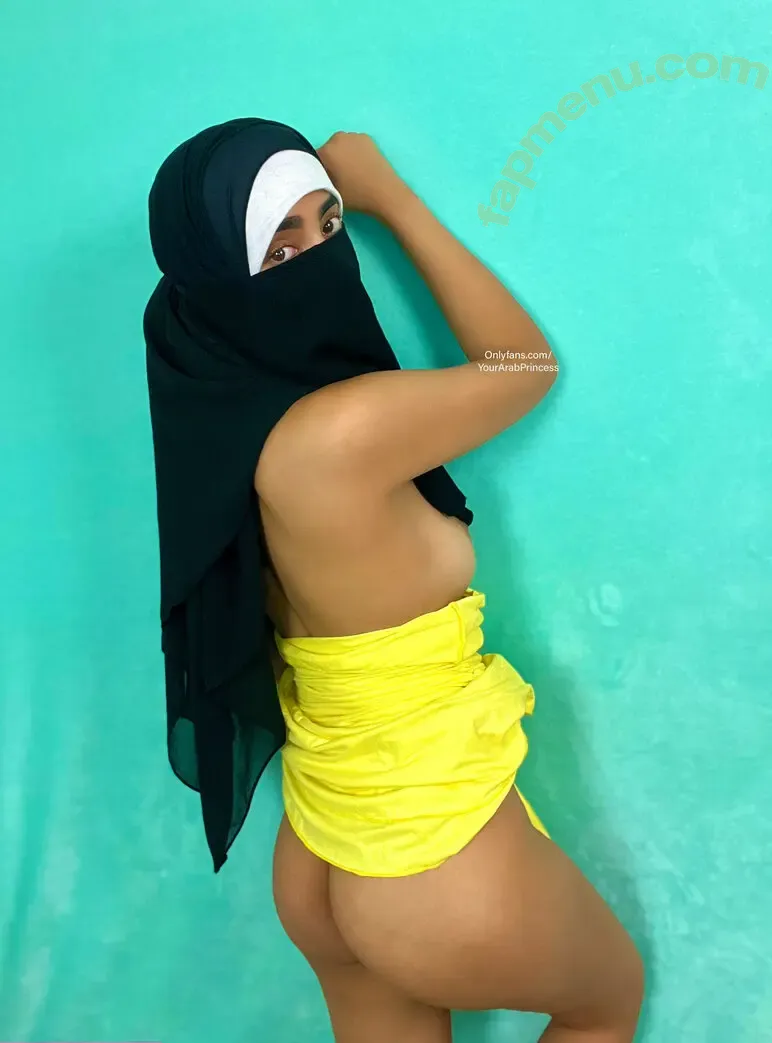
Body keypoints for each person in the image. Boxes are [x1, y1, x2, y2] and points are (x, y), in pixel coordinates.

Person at [143, 118, 644, 1043]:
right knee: (606, 1004)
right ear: (216, 279)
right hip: (431, 858)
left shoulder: (218, 438)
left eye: (329, 224)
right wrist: (388, 198)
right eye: (279, 247)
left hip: (319, 852)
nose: (319, 258)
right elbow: (524, 366)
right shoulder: (339, 433)